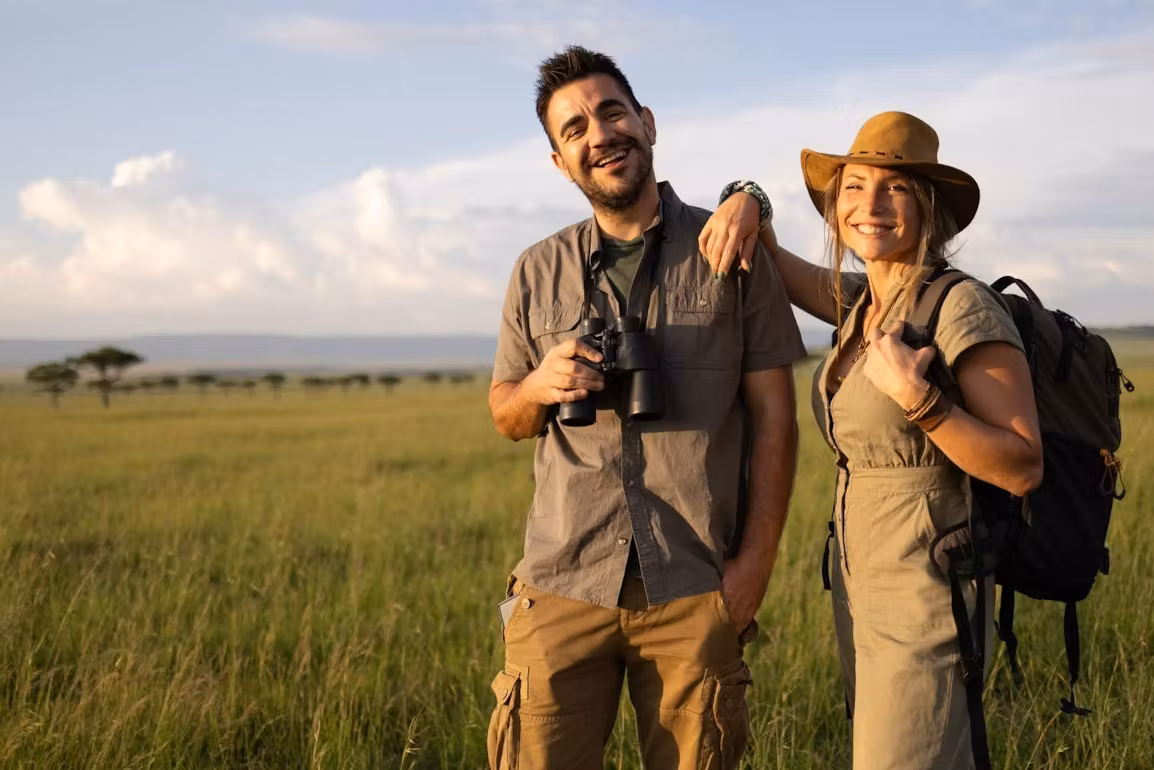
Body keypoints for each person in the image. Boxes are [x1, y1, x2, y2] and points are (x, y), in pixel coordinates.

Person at [487, 46, 806, 770]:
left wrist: (754, 565)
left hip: (694, 583)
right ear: (560, 161)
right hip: (562, 583)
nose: (599, 135)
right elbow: (506, 412)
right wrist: (541, 386)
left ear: (648, 123)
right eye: (574, 130)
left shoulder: (731, 249)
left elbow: (777, 423)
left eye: (612, 112)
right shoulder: (536, 270)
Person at [699, 112, 1044, 769]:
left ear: (931, 209)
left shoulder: (962, 308)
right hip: (863, 595)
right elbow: (768, 251)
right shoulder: (866, 303)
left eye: (897, 189)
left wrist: (923, 402)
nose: (871, 205)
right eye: (854, 187)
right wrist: (747, 195)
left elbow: (1023, 466)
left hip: (929, 601)